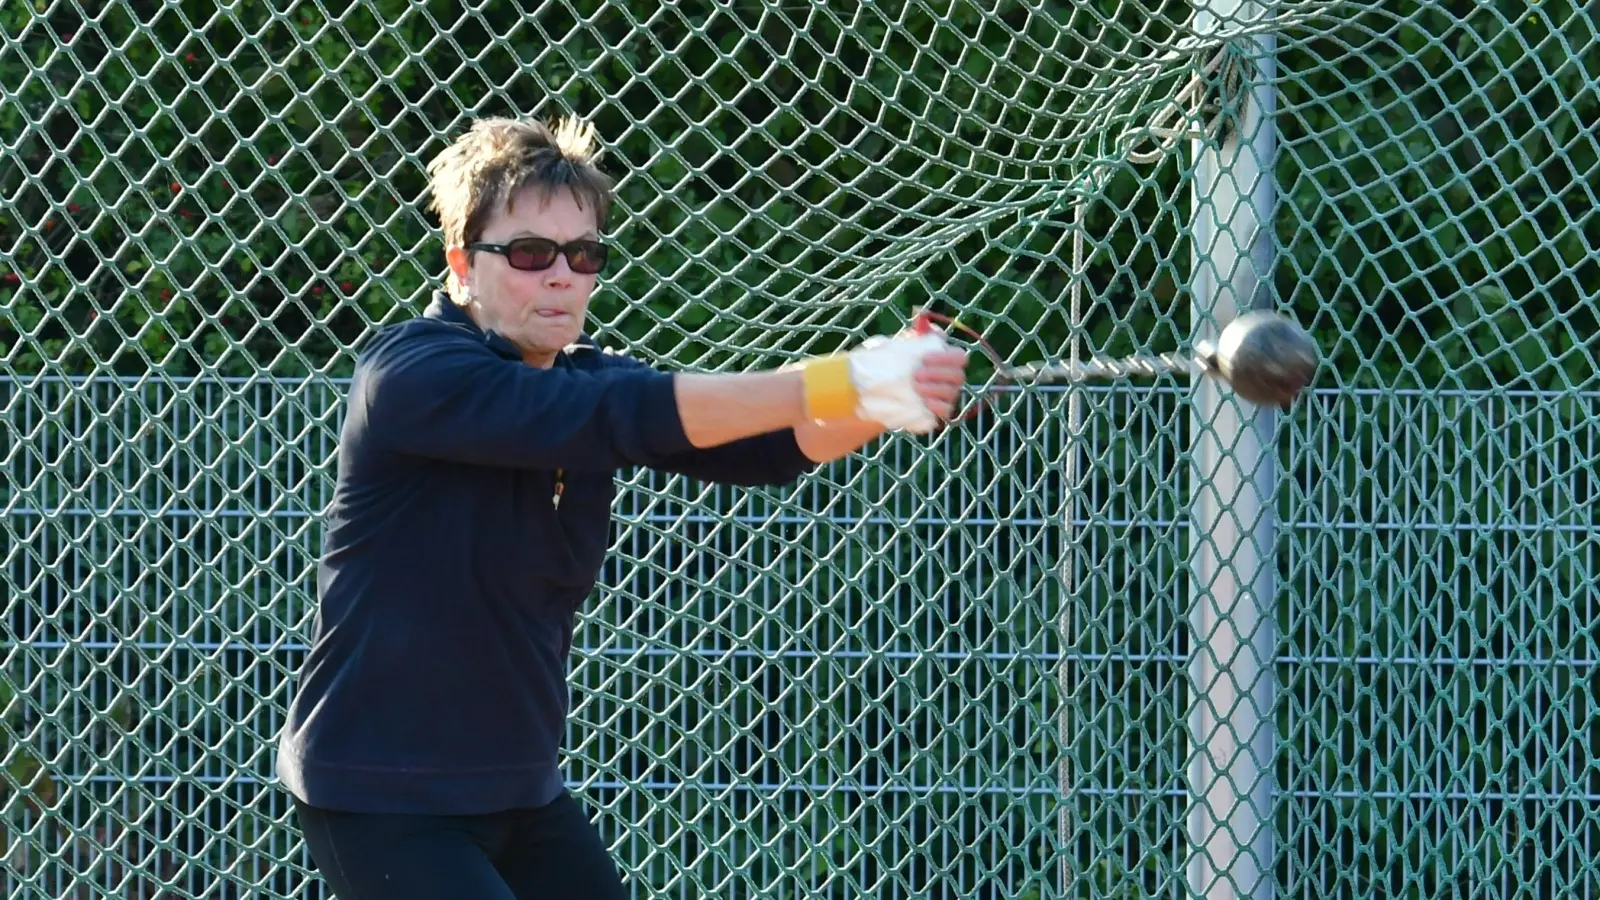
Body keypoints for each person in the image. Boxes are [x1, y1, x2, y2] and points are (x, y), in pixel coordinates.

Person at [274, 114, 969, 900]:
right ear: (461, 265)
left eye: (584, 254)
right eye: (531, 254)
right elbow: (622, 416)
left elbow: (771, 446)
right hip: (382, 792)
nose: (562, 276)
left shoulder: (582, 379)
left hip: (520, 787)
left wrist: (889, 397)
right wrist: (844, 378)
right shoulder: (411, 376)